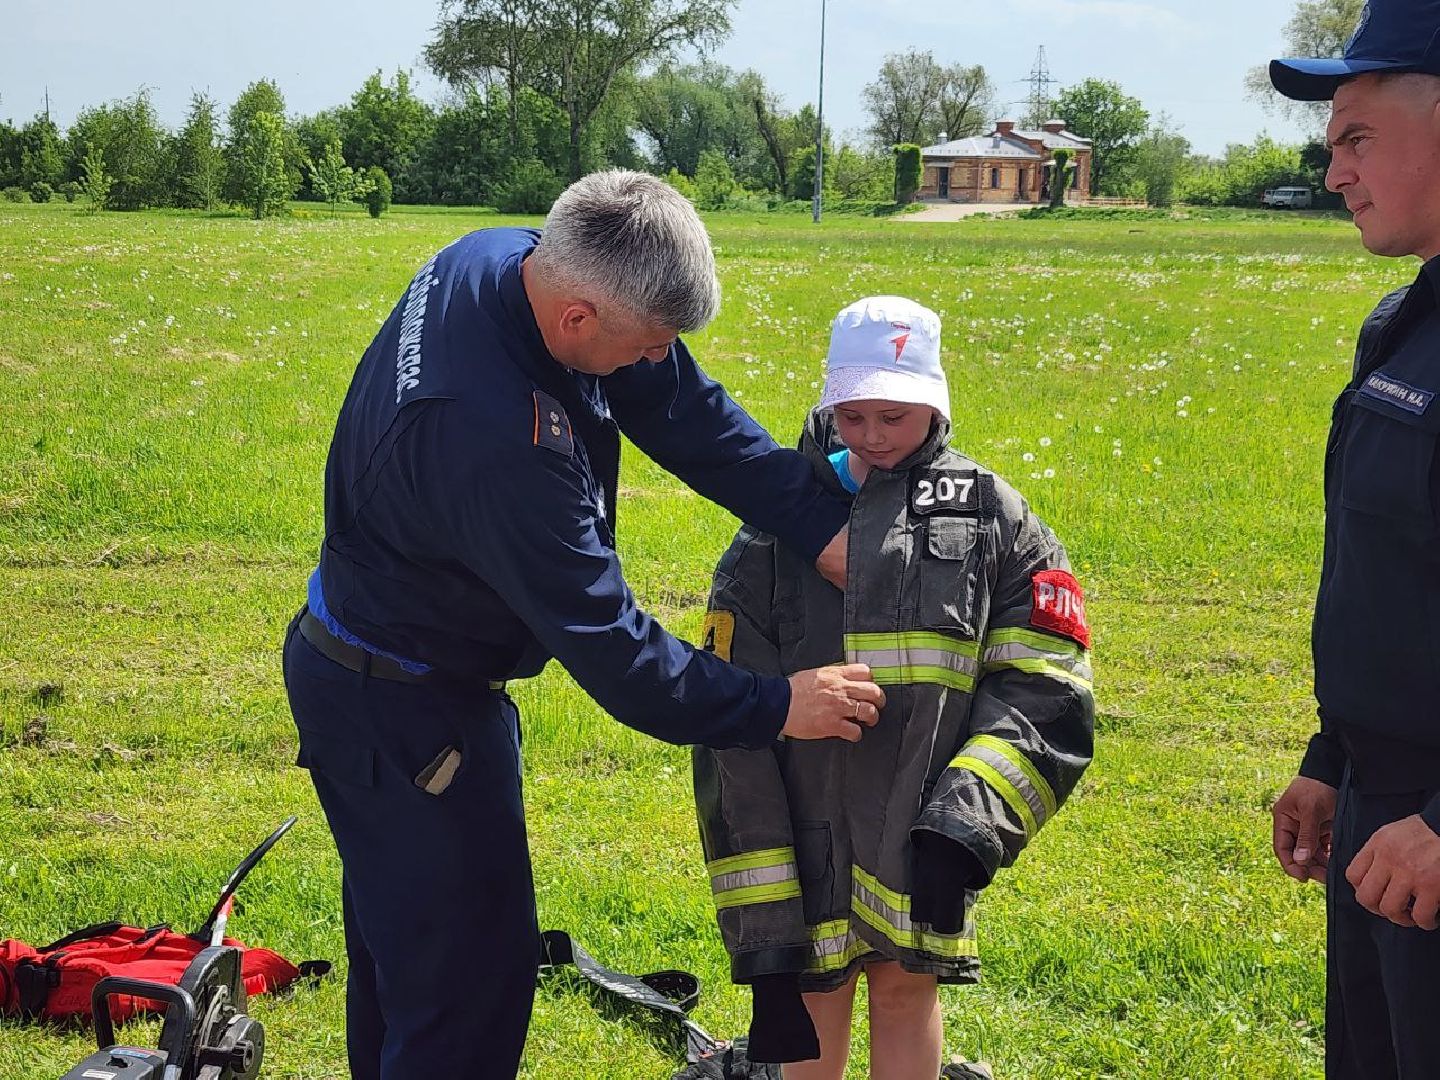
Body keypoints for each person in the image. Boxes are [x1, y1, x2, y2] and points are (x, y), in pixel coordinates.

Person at [282, 169, 887, 1080]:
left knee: (407, 961)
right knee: (465, 994)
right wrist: (777, 705)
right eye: (647, 343)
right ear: (579, 320)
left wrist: (816, 524)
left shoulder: (507, 260)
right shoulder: (492, 440)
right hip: (401, 712)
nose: (656, 361)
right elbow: (617, 653)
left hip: (384, 676)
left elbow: (681, 409)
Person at [691, 296, 1095, 1077]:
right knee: (813, 1001)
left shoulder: (995, 520)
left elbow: (1048, 684)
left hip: (923, 831)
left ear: (936, 406)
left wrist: (966, 828)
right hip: (804, 841)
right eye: (854, 416)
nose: (873, 437)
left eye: (895, 417)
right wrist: (765, 935)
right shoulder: (771, 530)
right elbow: (729, 716)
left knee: (908, 993)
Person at [1269, 7, 1440, 1076]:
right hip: (1385, 825)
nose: (1334, 173)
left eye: (1357, 137)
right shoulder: (1403, 326)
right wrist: (1337, 759)